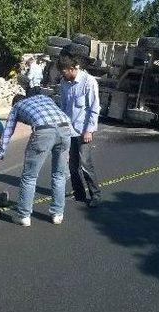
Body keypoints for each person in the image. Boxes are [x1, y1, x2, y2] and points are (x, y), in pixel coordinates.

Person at [0, 91, 71, 227]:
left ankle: (24, 216)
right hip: (66, 128)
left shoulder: (17, 107)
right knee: (59, 175)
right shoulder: (43, 97)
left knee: (29, 177)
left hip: (43, 131)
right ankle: (57, 214)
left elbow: (5, 137)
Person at [58, 52, 103, 208]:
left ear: (72, 68)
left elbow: (94, 107)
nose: (62, 75)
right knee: (72, 165)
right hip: (69, 130)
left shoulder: (88, 82)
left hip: (84, 130)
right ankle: (79, 194)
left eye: (64, 72)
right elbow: (63, 107)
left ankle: (95, 195)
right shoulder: (63, 83)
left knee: (85, 163)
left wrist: (89, 130)